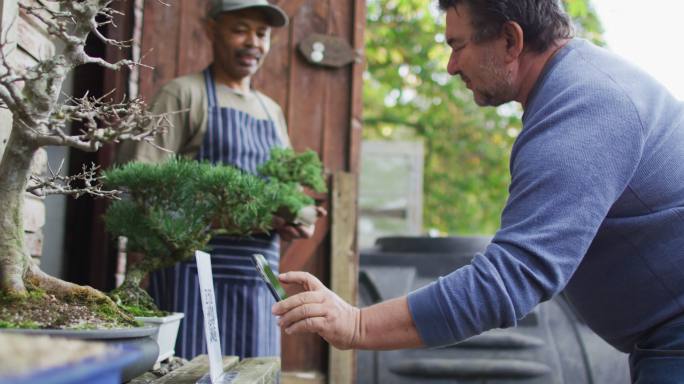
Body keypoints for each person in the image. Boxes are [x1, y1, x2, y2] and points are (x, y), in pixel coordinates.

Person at [272, 0, 684, 382]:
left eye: (458, 45)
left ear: (510, 40)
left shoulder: (583, 108)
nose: (451, 66)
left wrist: (357, 325)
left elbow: (512, 277)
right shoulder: (575, 88)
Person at [118, 0, 324, 359]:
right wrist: (221, 218)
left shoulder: (270, 110)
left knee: (256, 373)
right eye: (240, 29)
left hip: (258, 280)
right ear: (212, 30)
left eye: (262, 33)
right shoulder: (182, 95)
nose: (253, 42)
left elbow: (289, 192)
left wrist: (298, 218)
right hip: (191, 275)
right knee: (193, 372)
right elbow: (143, 189)